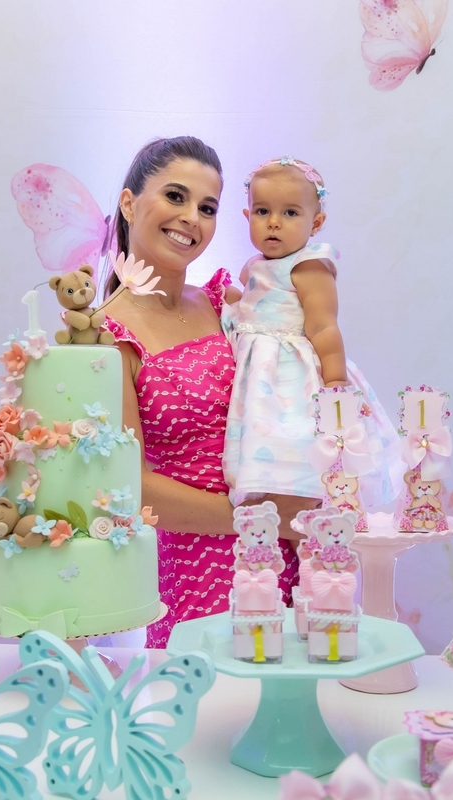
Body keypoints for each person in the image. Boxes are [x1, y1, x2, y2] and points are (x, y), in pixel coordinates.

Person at [100, 137, 316, 648]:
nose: (191, 218)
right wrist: (265, 520)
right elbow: (127, 487)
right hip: (201, 567)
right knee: (216, 693)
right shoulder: (106, 336)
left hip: (290, 553)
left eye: (207, 207)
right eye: (175, 196)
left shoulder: (229, 303)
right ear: (129, 203)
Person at [221, 157, 400, 510]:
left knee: (294, 434)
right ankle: (266, 495)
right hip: (258, 373)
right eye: (262, 211)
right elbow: (256, 305)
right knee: (260, 430)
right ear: (247, 216)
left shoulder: (309, 267)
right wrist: (231, 300)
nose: (274, 222)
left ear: (315, 223)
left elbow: (323, 325)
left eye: (290, 213)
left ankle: (303, 503)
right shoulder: (254, 265)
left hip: (290, 374)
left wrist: (335, 379)